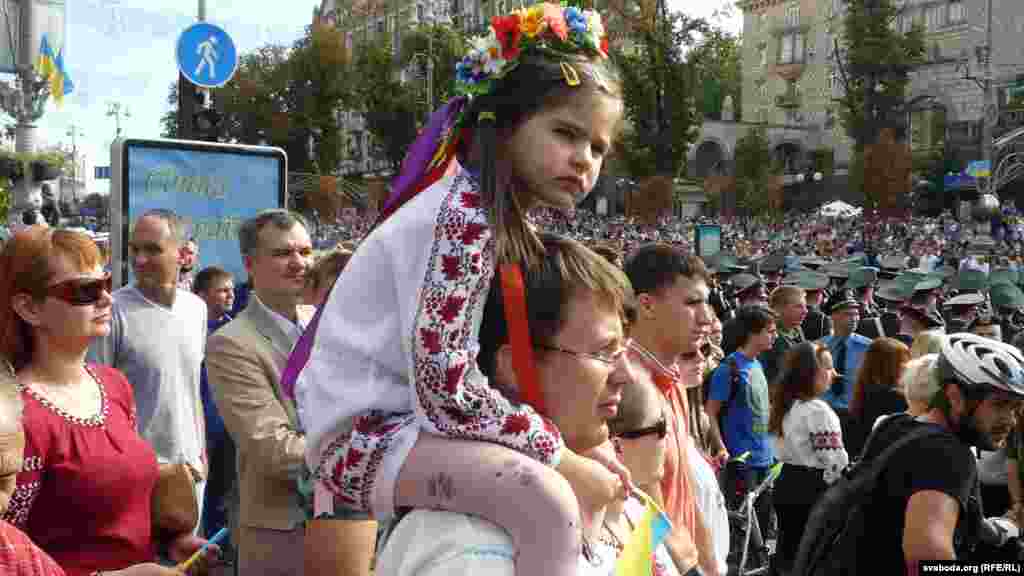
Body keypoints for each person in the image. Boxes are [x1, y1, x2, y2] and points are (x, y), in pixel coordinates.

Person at [288, 7, 628, 576]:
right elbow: (449, 394)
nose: (584, 160)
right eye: (566, 133)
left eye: (597, 147)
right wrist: (558, 453)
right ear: (504, 125)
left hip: (398, 428)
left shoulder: (479, 211)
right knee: (548, 503)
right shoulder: (462, 216)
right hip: (366, 436)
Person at [372, 234, 642, 575]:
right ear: (516, 366)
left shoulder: (602, 492)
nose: (626, 375)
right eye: (604, 352)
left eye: (622, 353)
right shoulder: (470, 552)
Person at [0, 227, 213, 575]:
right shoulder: (16, 415)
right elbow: (8, 556)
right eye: (85, 291)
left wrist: (168, 543)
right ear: (28, 308)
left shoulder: (113, 385)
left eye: (106, 283)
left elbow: (117, 504)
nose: (106, 299)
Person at [854, 333, 1024, 572]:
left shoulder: (895, 426)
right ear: (955, 396)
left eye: (1015, 408)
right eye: (999, 405)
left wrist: (999, 530)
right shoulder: (947, 455)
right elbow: (927, 560)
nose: (1010, 420)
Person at [206, 211, 317, 575]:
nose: (299, 263)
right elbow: (274, 450)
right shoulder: (231, 344)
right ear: (250, 264)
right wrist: (368, 456)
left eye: (306, 251)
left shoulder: (327, 322)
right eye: (284, 253)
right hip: (283, 539)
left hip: (349, 528)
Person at [87, 209, 208, 515]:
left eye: (152, 249)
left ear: (182, 255)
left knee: (187, 563)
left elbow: (191, 387)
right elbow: (97, 404)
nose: (140, 260)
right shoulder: (112, 313)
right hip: (138, 480)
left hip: (192, 475)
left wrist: (201, 452)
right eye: (135, 249)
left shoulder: (196, 310)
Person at [623, 243, 719, 575]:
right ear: (646, 304)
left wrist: (710, 567)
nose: (706, 318)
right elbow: (647, 507)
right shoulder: (621, 387)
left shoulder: (673, 381)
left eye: (706, 302)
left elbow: (684, 500)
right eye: (692, 303)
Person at [769, 342, 848, 573]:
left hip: (787, 482)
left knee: (788, 550)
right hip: (811, 488)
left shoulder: (786, 404)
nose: (833, 374)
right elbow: (833, 460)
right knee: (811, 556)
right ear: (811, 373)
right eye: (828, 368)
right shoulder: (817, 410)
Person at [705, 305, 777, 539]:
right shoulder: (728, 369)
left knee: (763, 528)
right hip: (741, 461)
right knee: (741, 529)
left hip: (765, 457)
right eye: (769, 331)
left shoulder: (757, 364)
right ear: (752, 334)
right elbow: (710, 413)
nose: (774, 336)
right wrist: (721, 447)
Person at [192, 266, 237, 545]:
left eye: (232, 289)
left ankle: (219, 546)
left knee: (224, 490)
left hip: (229, 424)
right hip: (201, 424)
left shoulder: (235, 329)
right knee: (201, 490)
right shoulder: (191, 330)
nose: (230, 295)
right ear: (201, 295)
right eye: (222, 290)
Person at [845, 337, 910, 457]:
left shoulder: (865, 391)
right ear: (889, 366)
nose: (908, 367)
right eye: (904, 362)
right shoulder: (895, 399)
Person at [761, 285, 806, 384]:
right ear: (779, 308)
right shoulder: (765, 334)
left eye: (805, 306)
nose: (805, 311)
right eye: (799, 306)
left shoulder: (797, 330)